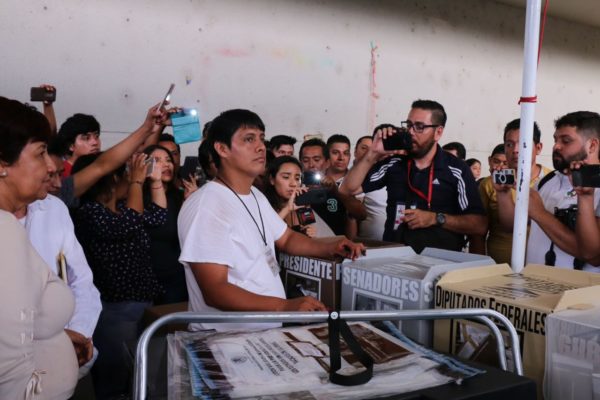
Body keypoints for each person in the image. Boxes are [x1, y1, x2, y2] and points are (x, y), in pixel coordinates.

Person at [178, 109, 364, 332]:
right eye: (249, 139)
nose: (260, 147)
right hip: (223, 339)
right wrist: (285, 306)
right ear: (222, 148)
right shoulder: (207, 205)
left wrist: (331, 246)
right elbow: (215, 291)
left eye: (261, 139)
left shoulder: (255, 195)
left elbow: (286, 239)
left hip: (259, 334)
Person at [0, 97, 78, 398]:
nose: (50, 167)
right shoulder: (4, 232)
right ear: (3, 164)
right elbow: (9, 371)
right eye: (40, 153)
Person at [73, 152, 167, 399]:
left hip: (143, 302)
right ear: (109, 180)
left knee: (140, 372)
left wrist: (154, 181)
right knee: (116, 377)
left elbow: (158, 216)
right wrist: (136, 182)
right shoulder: (90, 212)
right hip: (116, 309)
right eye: (122, 173)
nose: (128, 177)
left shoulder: (123, 208)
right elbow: (128, 224)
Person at [340, 100, 486, 253]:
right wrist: (373, 153)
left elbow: (479, 225)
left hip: (440, 263)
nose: (411, 132)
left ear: (438, 132)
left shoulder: (456, 170)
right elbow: (347, 189)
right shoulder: (394, 163)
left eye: (419, 127)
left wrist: (436, 219)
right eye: (409, 125)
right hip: (395, 258)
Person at [497, 112, 600, 272]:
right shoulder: (547, 181)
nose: (556, 146)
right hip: (533, 287)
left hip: (577, 294)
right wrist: (503, 194)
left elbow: (593, 255)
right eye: (555, 140)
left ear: (592, 145)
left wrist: (540, 214)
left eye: (566, 141)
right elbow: (512, 226)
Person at [47, 104, 168, 208]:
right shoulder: (65, 179)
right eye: (86, 138)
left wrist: (153, 128)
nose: (94, 142)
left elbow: (143, 156)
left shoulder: (110, 165)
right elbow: (102, 165)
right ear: (70, 145)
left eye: (96, 136)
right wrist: (147, 128)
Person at [475, 121, 551, 263]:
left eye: (523, 144)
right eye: (509, 144)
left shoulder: (552, 182)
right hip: (497, 267)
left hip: (541, 268)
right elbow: (478, 232)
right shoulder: (489, 184)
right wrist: (477, 265)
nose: (515, 150)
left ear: (538, 148)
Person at [143, 144, 194, 304]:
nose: (166, 165)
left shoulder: (179, 196)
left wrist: (191, 203)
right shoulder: (139, 198)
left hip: (180, 276)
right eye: (157, 160)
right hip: (152, 278)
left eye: (168, 160)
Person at [299, 138, 366, 238]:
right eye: (305, 160)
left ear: (327, 162)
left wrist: (336, 191)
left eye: (317, 160)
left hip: (336, 246)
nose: (311, 165)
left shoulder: (338, 187)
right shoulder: (294, 187)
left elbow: (361, 215)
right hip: (305, 246)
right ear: (300, 163)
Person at [262, 156, 319, 237]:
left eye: (297, 178)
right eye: (286, 177)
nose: (293, 184)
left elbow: (311, 232)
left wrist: (311, 231)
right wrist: (287, 209)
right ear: (272, 179)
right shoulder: (262, 204)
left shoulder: (302, 204)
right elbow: (264, 236)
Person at [353, 128, 389, 240]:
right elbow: (353, 215)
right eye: (364, 148)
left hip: (395, 242)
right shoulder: (356, 178)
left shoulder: (391, 172)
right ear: (354, 151)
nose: (368, 152)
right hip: (368, 243)